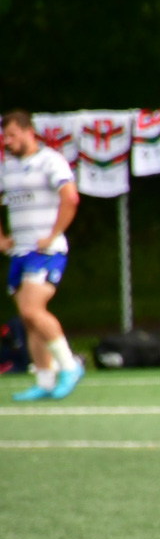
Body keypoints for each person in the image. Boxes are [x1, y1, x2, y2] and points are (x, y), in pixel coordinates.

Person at [2, 111, 84, 401]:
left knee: (31, 310)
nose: (7, 142)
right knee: (29, 320)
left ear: (27, 132)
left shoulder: (51, 161)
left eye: (12, 135)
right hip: (20, 252)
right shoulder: (8, 168)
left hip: (46, 252)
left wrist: (53, 234)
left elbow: (70, 197)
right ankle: (45, 381)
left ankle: (70, 365)